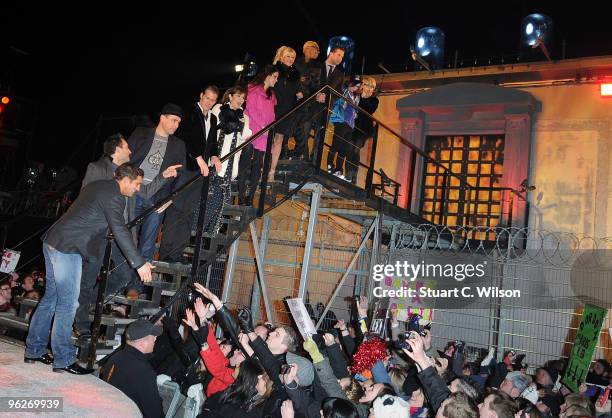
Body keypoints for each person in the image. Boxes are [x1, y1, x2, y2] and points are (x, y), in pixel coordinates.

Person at [25, 163, 154, 374]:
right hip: (67, 248)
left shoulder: (97, 186)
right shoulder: (115, 196)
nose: (138, 189)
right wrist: (138, 263)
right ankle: (64, 359)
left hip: (53, 242)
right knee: (68, 304)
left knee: (51, 299)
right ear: (127, 180)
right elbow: (119, 229)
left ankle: (34, 350)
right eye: (137, 184)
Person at [74, 133, 180, 339]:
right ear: (116, 149)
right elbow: (85, 199)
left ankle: (88, 304)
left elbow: (144, 193)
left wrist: (163, 176)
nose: (131, 151)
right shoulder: (97, 169)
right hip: (98, 234)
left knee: (124, 275)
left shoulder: (129, 173)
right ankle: (82, 324)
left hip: (120, 236)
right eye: (127, 147)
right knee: (87, 280)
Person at [159, 86, 222, 262]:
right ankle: (166, 253)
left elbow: (212, 142)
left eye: (212, 100)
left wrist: (215, 156)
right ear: (201, 95)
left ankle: (177, 253)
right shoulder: (188, 111)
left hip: (201, 172)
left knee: (189, 212)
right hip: (187, 167)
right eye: (207, 98)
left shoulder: (214, 118)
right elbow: (185, 137)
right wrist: (199, 158)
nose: (209, 102)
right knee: (176, 208)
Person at [128, 103, 186, 284]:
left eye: (179, 122)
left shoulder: (178, 145)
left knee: (147, 243)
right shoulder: (141, 133)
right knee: (126, 240)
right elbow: (125, 160)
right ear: (162, 117)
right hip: (134, 192)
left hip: (157, 199)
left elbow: (181, 176)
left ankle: (136, 287)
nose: (176, 125)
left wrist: (170, 199)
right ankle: (117, 283)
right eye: (173, 120)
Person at [99, 319, 164, 417]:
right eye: (153, 337)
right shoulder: (143, 370)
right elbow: (154, 412)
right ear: (143, 343)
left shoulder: (115, 358)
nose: (155, 339)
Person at [239, 65, 278, 205]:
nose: (276, 80)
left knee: (257, 165)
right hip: (252, 131)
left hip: (264, 134)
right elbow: (250, 109)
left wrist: (270, 129)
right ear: (267, 75)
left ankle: (250, 197)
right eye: (274, 76)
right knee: (245, 163)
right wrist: (263, 127)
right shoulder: (253, 90)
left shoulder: (271, 95)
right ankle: (242, 196)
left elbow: (272, 115)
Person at [269, 46, 302, 181]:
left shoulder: (296, 74)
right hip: (272, 107)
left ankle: (272, 170)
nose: (290, 59)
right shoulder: (273, 69)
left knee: (279, 140)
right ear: (281, 56)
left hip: (287, 109)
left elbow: (298, 92)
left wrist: (300, 94)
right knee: (266, 140)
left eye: (292, 57)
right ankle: (262, 167)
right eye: (288, 56)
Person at [327, 77, 361, 181]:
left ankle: (339, 169)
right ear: (351, 84)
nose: (356, 88)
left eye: (358, 87)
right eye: (356, 85)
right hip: (341, 121)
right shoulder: (345, 91)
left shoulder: (355, 96)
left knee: (344, 148)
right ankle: (330, 164)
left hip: (350, 125)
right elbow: (339, 88)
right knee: (336, 143)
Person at [292, 40, 321, 161]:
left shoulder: (319, 67)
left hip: (310, 103)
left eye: (317, 50)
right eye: (312, 48)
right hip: (294, 101)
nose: (315, 52)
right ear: (305, 50)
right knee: (296, 129)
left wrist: (304, 80)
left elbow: (316, 83)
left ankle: (303, 156)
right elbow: (293, 79)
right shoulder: (296, 62)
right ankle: (298, 154)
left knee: (305, 130)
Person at [348, 76, 379, 184]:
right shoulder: (355, 95)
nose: (370, 89)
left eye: (372, 87)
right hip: (352, 125)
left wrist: (360, 96)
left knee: (356, 150)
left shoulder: (374, 100)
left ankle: (353, 178)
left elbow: (368, 108)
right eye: (368, 85)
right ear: (362, 85)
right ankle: (347, 174)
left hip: (363, 128)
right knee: (349, 149)